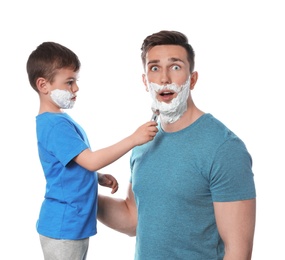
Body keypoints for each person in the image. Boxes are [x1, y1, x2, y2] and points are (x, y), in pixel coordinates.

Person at [97, 30, 256, 260]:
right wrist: (82, 191)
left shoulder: (224, 148)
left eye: (175, 67)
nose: (164, 79)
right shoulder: (142, 142)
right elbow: (133, 219)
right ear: (145, 81)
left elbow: (238, 251)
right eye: (154, 68)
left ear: (192, 79)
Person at [26, 41, 158, 260]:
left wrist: (96, 177)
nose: (75, 88)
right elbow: (90, 160)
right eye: (69, 82)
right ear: (43, 85)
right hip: (64, 227)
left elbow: (70, 166)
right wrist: (134, 139)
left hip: (70, 224)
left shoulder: (57, 121)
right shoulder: (55, 126)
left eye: (75, 81)